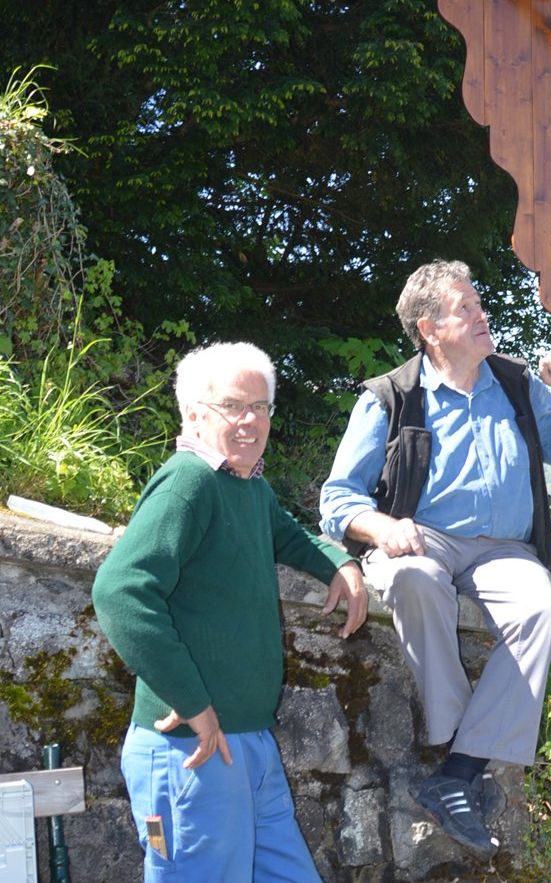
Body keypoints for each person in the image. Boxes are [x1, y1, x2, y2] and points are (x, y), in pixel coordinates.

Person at [319, 259, 551, 859]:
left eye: (479, 303)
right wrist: (381, 526)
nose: (481, 314)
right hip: (423, 538)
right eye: (465, 308)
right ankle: (461, 762)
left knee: (545, 611)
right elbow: (337, 498)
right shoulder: (390, 396)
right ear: (429, 327)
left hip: (504, 549)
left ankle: (457, 772)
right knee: (413, 578)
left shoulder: (518, 383)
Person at [92, 342, 369, 882]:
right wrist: (192, 702)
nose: (250, 421)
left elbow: (288, 535)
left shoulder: (248, 485)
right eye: (233, 407)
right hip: (190, 751)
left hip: (248, 743)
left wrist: (341, 562)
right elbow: (120, 590)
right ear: (194, 414)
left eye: (261, 407)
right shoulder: (188, 482)